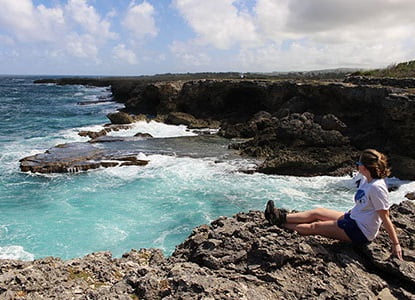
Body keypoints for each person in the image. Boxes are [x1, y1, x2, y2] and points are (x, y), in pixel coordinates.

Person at [265, 149, 403, 260]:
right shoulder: (365, 180)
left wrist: (395, 243)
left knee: (315, 226)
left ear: (365, 167)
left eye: (359, 163)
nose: (357, 165)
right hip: (353, 218)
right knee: (317, 212)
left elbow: (385, 217)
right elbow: (363, 205)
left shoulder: (377, 187)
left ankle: (279, 223)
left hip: (361, 231)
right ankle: (280, 216)